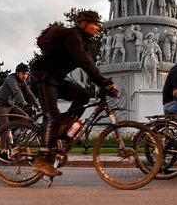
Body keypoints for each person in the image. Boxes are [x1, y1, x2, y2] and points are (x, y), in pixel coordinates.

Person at [30, 10, 117, 176]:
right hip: (43, 76)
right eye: (94, 24)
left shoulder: (84, 43)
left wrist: (105, 85)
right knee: (51, 116)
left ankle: (62, 128)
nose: (97, 27)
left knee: (83, 95)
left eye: (98, 24)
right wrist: (104, 82)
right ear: (83, 23)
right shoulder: (73, 36)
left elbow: (90, 66)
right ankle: (40, 160)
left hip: (56, 78)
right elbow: (84, 62)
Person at [0, 63, 40, 162]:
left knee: (25, 117)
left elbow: (29, 94)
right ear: (17, 73)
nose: (25, 76)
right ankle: (3, 152)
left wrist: (37, 105)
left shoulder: (22, 82)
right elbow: (16, 91)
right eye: (23, 73)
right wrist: (24, 103)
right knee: (5, 126)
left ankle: (11, 138)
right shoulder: (11, 79)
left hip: (9, 106)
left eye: (26, 74)